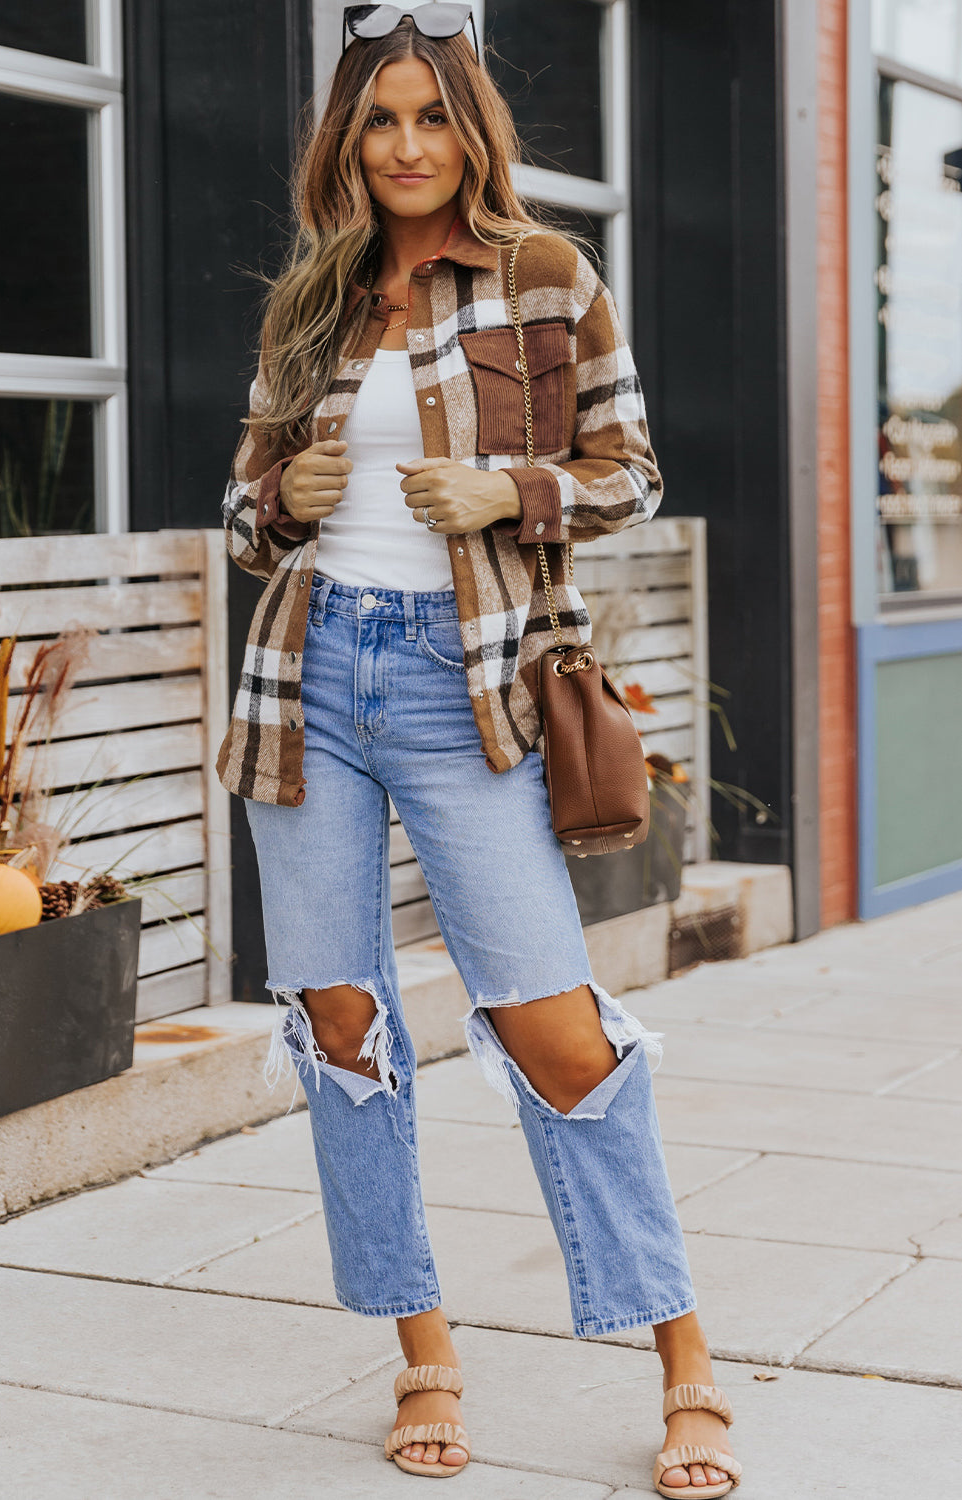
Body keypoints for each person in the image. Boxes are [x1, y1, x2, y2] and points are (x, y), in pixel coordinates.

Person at [217, 5, 742, 1494]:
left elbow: (627, 471)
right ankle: (422, 1348)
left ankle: (682, 1353)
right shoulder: (309, 302)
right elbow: (243, 514)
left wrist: (504, 488)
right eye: (377, 120)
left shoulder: (543, 275)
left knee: (550, 1026)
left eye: (427, 117)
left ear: (470, 129)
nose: (402, 147)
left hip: (473, 694)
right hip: (306, 685)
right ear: (345, 136)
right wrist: (290, 495)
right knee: (342, 1031)